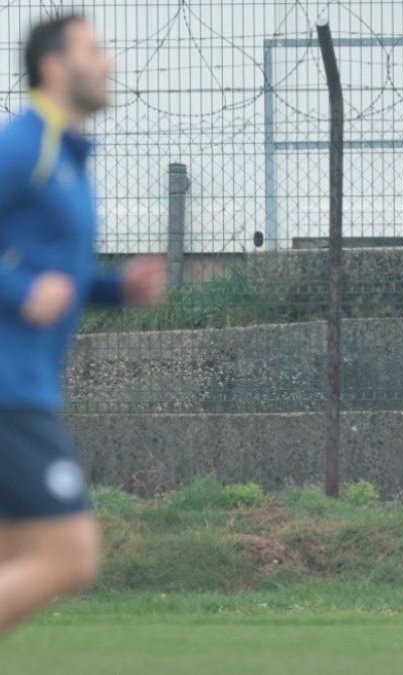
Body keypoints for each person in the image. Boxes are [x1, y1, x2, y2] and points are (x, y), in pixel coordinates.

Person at [0, 15, 166, 637]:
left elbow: (56, 276)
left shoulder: (68, 159)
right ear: (53, 67)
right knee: (70, 557)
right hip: (9, 394)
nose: (109, 64)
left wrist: (115, 289)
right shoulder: (25, 145)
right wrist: (19, 290)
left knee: (15, 562)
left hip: (23, 389)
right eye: (94, 51)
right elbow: (30, 283)